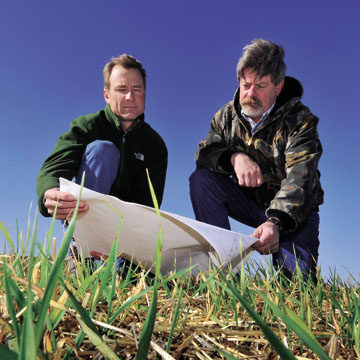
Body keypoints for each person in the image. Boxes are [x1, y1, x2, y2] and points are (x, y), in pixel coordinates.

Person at [189, 39, 323, 281]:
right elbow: (205, 154)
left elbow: (301, 178)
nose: (250, 94)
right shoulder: (226, 116)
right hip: (248, 202)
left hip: (292, 213)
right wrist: (234, 157)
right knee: (202, 180)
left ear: (278, 86)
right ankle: (223, 273)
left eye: (260, 86)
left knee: (297, 286)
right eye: (245, 84)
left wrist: (275, 222)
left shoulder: (301, 121)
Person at [36, 54, 168, 266]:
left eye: (137, 90)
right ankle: (78, 255)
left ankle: (127, 264)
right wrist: (48, 193)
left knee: (132, 276)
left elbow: (149, 205)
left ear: (145, 94)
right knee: (102, 150)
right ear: (107, 95)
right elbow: (54, 169)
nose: (130, 97)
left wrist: (129, 244)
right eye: (121, 89)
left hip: (125, 225)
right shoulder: (87, 126)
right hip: (84, 215)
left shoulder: (155, 145)